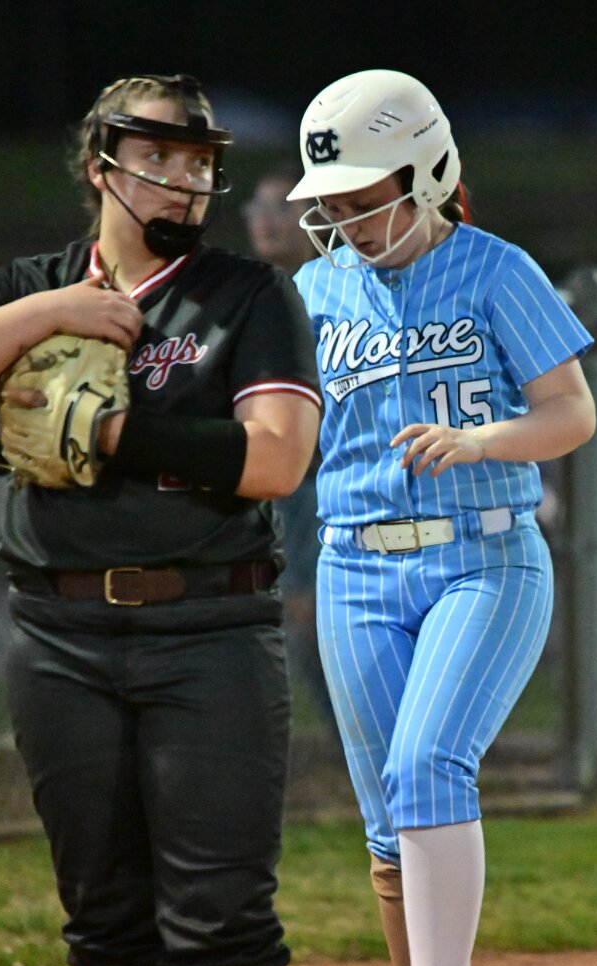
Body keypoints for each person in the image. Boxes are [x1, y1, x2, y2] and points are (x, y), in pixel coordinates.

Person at [0, 74, 321, 966]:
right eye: (157, 157)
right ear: (100, 167)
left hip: (208, 634)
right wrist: (45, 315)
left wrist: (110, 432)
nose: (182, 180)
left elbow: (275, 458)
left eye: (197, 162)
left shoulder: (245, 295)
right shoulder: (26, 289)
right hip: (59, 642)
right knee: (109, 926)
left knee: (221, 922)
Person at [286, 69, 597, 966]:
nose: (343, 216)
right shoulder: (315, 289)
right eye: (331, 199)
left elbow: (572, 413)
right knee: (389, 821)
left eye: (362, 193)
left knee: (425, 763)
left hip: (483, 557)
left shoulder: (498, 270)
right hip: (353, 568)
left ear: (425, 172)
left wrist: (482, 440)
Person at [241, 166, 341, 763]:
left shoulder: (333, 287)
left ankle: (363, 742)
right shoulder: (247, 293)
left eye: (282, 207)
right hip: (268, 479)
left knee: (314, 614)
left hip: (322, 476)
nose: (268, 219)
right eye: (258, 207)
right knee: (288, 617)